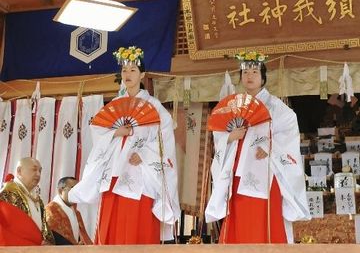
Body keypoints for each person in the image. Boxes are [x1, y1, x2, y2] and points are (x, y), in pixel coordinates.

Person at [68, 45, 180, 244]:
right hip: (114, 173)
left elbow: (165, 140)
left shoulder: (155, 107)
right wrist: (115, 133)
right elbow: (98, 131)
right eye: (124, 70)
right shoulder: (113, 105)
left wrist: (144, 154)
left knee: (138, 227)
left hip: (141, 175)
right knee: (111, 225)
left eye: (133, 70)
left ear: (142, 74)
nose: (127, 74)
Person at [205, 51, 310, 243]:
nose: (249, 76)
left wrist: (271, 147)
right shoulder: (234, 105)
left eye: (254, 72)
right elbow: (219, 132)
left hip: (266, 174)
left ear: (263, 78)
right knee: (240, 222)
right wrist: (230, 137)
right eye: (245, 73)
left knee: (265, 222)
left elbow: (289, 135)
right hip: (237, 172)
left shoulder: (278, 109)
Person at [0, 157, 54, 245]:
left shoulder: (36, 197)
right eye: (34, 170)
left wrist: (46, 242)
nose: (38, 174)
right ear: (19, 171)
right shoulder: (9, 192)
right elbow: (11, 229)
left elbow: (43, 226)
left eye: (40, 171)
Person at [45, 177, 92, 245]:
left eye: (78, 189)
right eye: (73, 188)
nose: (77, 193)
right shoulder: (51, 210)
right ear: (61, 191)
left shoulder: (77, 213)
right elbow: (52, 238)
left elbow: (81, 238)